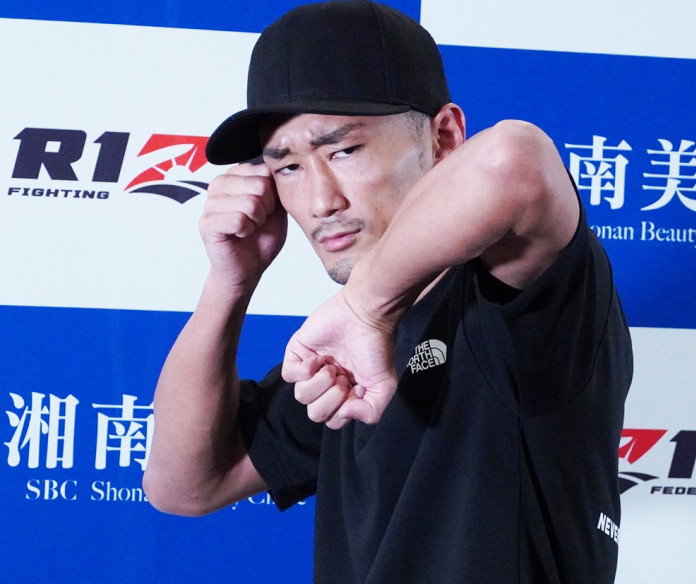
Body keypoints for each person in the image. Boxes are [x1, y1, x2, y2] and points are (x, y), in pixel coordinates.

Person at [142, 1, 633, 582]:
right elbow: (184, 486)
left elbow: (514, 162)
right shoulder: (354, 350)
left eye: (343, 151)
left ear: (445, 136)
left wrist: (365, 308)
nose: (321, 201)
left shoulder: (516, 295)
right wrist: (229, 282)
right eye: (288, 168)